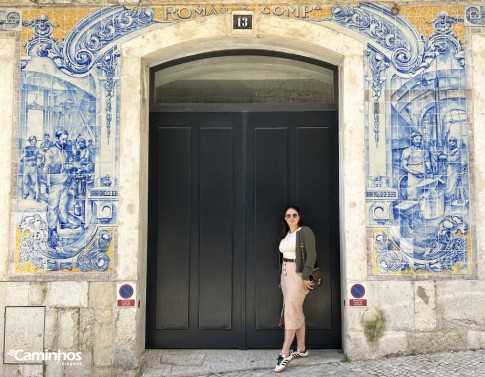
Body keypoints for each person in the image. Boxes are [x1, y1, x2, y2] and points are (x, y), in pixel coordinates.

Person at [274, 205, 316, 373]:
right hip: (285, 275)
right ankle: (302, 349)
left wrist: (306, 276)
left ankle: (284, 353)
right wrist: (281, 278)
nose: (291, 217)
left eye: (294, 215)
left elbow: (311, 255)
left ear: (299, 217)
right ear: (285, 218)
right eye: (288, 215)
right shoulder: (286, 235)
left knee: (291, 310)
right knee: (295, 309)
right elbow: (283, 257)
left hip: (298, 275)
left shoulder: (305, 232)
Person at [43, 129, 79, 249]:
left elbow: (70, 162)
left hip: (65, 182)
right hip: (55, 183)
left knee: (63, 204)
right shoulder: (51, 152)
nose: (65, 141)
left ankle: (64, 222)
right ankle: (52, 230)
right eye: (63, 139)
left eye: (66, 139)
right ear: (57, 138)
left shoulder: (67, 150)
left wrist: (70, 167)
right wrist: (47, 185)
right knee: (53, 206)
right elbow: (46, 169)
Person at [400, 132, 432, 199]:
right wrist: (413, 172)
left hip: (423, 176)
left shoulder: (425, 152)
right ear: (412, 139)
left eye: (420, 140)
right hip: (413, 177)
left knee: (423, 195)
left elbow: (427, 162)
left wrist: (429, 169)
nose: (419, 141)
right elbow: (403, 166)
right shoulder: (407, 151)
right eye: (417, 139)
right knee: (413, 194)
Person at [20, 135, 40, 200]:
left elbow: (36, 157)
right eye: (32, 141)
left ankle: (36, 195)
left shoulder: (37, 149)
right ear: (30, 141)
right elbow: (22, 158)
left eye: (35, 141)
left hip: (33, 167)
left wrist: (27, 158)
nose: (34, 143)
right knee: (25, 180)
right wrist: (28, 158)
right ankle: (26, 193)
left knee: (35, 181)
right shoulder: (26, 148)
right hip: (27, 167)